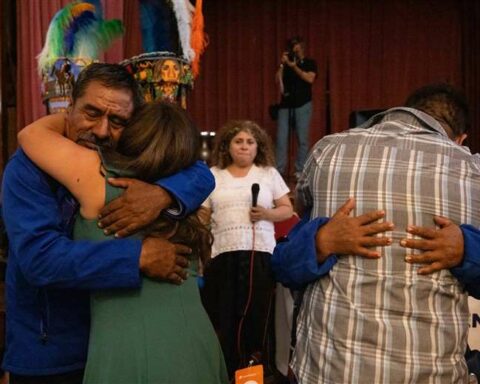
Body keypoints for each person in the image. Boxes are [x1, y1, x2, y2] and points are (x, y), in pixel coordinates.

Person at [1, 63, 215, 384]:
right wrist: (137, 256)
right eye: (91, 113)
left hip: (114, 340)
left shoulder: (131, 168)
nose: (102, 130)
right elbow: (40, 260)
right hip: (51, 354)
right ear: (68, 109)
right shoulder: (27, 169)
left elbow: (199, 171)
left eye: (117, 121)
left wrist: (163, 194)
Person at [272, 83, 480, 383]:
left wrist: (322, 240)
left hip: (328, 372)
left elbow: (284, 264)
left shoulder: (328, 149)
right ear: (460, 139)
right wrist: (467, 249)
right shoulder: (471, 169)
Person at [200, 120, 293, 378]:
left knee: (257, 318)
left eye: (250, 142)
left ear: (258, 146)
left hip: (260, 255)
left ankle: (253, 375)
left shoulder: (268, 174)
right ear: (227, 146)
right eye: (238, 141)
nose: (244, 146)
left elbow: (287, 209)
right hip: (221, 256)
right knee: (224, 317)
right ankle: (226, 372)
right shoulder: (214, 174)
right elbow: (202, 216)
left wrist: (266, 213)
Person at [275, 36, 317, 179]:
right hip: (286, 104)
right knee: (281, 139)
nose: (294, 48)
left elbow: (310, 78)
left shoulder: (310, 62)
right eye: (292, 45)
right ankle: (279, 171)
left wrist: (294, 67)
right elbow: (277, 81)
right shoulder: (286, 65)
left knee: (303, 139)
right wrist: (282, 65)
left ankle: (299, 170)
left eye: (296, 45)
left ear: (302, 46)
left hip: (303, 104)